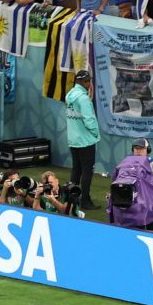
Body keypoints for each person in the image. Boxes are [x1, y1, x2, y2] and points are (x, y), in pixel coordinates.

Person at [65, 68, 99, 211]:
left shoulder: (70, 95)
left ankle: (72, 198)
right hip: (85, 140)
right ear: (86, 82)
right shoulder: (83, 98)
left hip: (73, 139)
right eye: (88, 81)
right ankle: (84, 200)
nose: (89, 84)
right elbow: (89, 119)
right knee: (87, 170)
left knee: (76, 169)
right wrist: (95, 133)